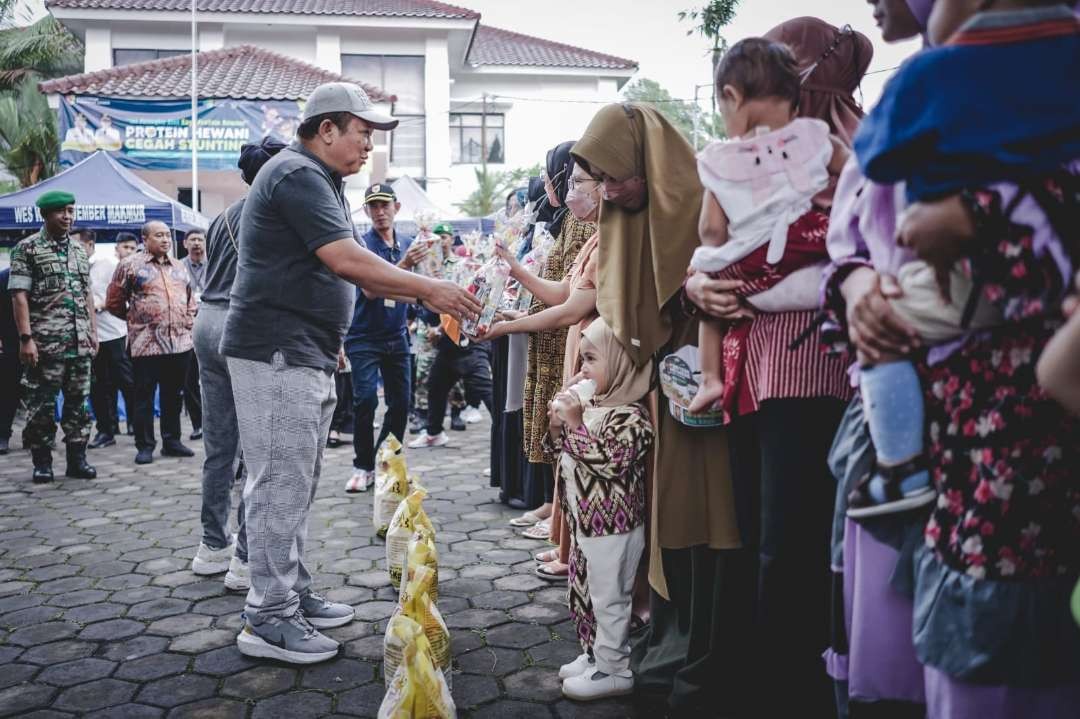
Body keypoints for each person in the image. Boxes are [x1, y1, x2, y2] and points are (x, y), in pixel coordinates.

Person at [829, 2, 1080, 715]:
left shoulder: (1018, 69)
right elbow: (854, 231)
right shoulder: (926, 84)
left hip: (1023, 460)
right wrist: (852, 288)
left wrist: (978, 216)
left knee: (1004, 666)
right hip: (932, 441)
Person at [220, 82, 478, 665]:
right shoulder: (297, 174)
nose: (369, 146)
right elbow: (350, 262)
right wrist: (432, 290)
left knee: (297, 481)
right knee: (279, 483)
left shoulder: (324, 181)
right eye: (363, 132)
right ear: (327, 129)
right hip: (276, 348)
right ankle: (267, 615)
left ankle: (290, 592)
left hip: (303, 349)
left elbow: (358, 274)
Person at [681, 18, 870, 717]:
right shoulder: (824, 152)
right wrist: (702, 283)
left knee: (785, 543)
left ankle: (791, 687)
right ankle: (790, 680)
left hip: (802, 365)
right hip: (766, 367)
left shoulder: (839, 152)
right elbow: (708, 249)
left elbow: (711, 239)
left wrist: (713, 276)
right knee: (777, 538)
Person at [688, 38, 850, 415]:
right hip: (809, 245)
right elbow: (858, 171)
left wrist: (708, 264)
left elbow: (711, 231)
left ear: (731, 95)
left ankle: (709, 378)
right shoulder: (814, 136)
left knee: (707, 279)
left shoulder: (722, 159)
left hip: (755, 283)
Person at [482, 160, 604, 576]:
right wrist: (514, 268)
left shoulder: (604, 239)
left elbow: (570, 309)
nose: (571, 190)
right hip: (580, 352)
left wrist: (508, 326)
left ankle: (577, 556)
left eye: (579, 182)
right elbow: (562, 292)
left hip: (594, 356)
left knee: (581, 455)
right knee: (567, 452)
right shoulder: (594, 238)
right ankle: (567, 548)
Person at [189, 136, 286, 591]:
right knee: (258, 448)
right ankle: (245, 558)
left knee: (219, 444)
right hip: (241, 324)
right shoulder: (273, 212)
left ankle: (212, 546)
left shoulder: (220, 218)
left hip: (206, 322)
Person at [545, 317, 654, 701]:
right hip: (584, 524)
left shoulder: (632, 417)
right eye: (580, 360)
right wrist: (558, 428)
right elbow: (563, 455)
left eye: (591, 359)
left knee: (610, 598)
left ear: (622, 363)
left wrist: (574, 424)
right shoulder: (594, 406)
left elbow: (609, 462)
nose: (582, 370)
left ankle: (614, 667)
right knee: (583, 592)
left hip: (615, 529)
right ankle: (594, 653)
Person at [8, 190, 98, 483]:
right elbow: (19, 295)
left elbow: (86, 294)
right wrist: (26, 338)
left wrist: (93, 332)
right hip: (45, 343)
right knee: (42, 406)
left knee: (79, 405)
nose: (68, 217)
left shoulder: (78, 250)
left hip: (79, 341)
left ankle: (77, 460)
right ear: (45, 215)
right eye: (61, 212)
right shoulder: (27, 248)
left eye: (71, 211)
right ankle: (42, 463)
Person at [343, 183, 425, 493]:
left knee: (401, 404)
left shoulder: (408, 242)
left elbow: (418, 286)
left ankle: (386, 463)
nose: (380, 212)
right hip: (363, 336)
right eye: (373, 206)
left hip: (397, 335)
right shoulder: (362, 245)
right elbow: (371, 289)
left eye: (385, 205)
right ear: (366, 211)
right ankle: (362, 465)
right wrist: (406, 265)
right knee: (364, 400)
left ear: (396, 207)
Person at [106, 220, 197, 465]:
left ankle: (172, 441)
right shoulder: (130, 266)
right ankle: (145, 445)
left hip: (179, 344)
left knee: (173, 394)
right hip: (146, 344)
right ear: (145, 239)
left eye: (167, 235)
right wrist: (136, 320)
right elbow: (113, 301)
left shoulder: (179, 267)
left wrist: (188, 321)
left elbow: (190, 299)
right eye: (159, 235)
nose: (166, 239)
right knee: (144, 396)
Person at [80, 229, 135, 449]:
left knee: (126, 381)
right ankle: (106, 429)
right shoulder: (73, 267)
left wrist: (102, 304)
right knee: (99, 385)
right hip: (90, 336)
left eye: (79, 245)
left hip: (114, 332)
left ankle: (136, 423)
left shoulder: (109, 266)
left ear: (90, 245)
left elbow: (124, 296)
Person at [410, 305, 494, 449]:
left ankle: (510, 444)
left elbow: (462, 307)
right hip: (449, 344)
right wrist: (439, 330)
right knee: (436, 385)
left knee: (488, 393)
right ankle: (434, 434)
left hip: (470, 342)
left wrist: (439, 330)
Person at [182, 230, 207, 441]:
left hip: (210, 326)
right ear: (185, 244)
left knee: (213, 377)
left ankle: (214, 421)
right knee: (189, 380)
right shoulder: (178, 267)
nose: (197, 244)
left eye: (200, 240)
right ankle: (198, 423)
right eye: (193, 240)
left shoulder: (216, 265)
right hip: (186, 330)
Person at [0, 267, 21, 455]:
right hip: (10, 341)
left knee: (42, 393)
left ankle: (37, 435)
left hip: (42, 340)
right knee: (8, 390)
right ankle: (3, 434)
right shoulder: (5, 276)